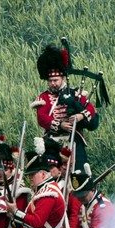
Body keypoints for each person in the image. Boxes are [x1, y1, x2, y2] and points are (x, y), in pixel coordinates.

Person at [31, 44, 99, 175]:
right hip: (52, 141)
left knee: (77, 172)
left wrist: (80, 116)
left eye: (56, 80)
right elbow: (42, 118)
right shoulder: (43, 97)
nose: (53, 84)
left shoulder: (74, 93)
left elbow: (90, 108)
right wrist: (60, 125)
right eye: (50, 81)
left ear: (62, 78)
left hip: (73, 140)